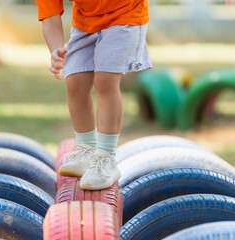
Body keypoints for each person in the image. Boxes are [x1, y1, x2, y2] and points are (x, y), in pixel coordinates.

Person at [35, 0, 152, 190]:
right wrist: (56, 49)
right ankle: (87, 151)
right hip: (85, 23)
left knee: (105, 80)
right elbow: (49, 18)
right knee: (75, 81)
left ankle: (105, 159)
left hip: (124, 14)